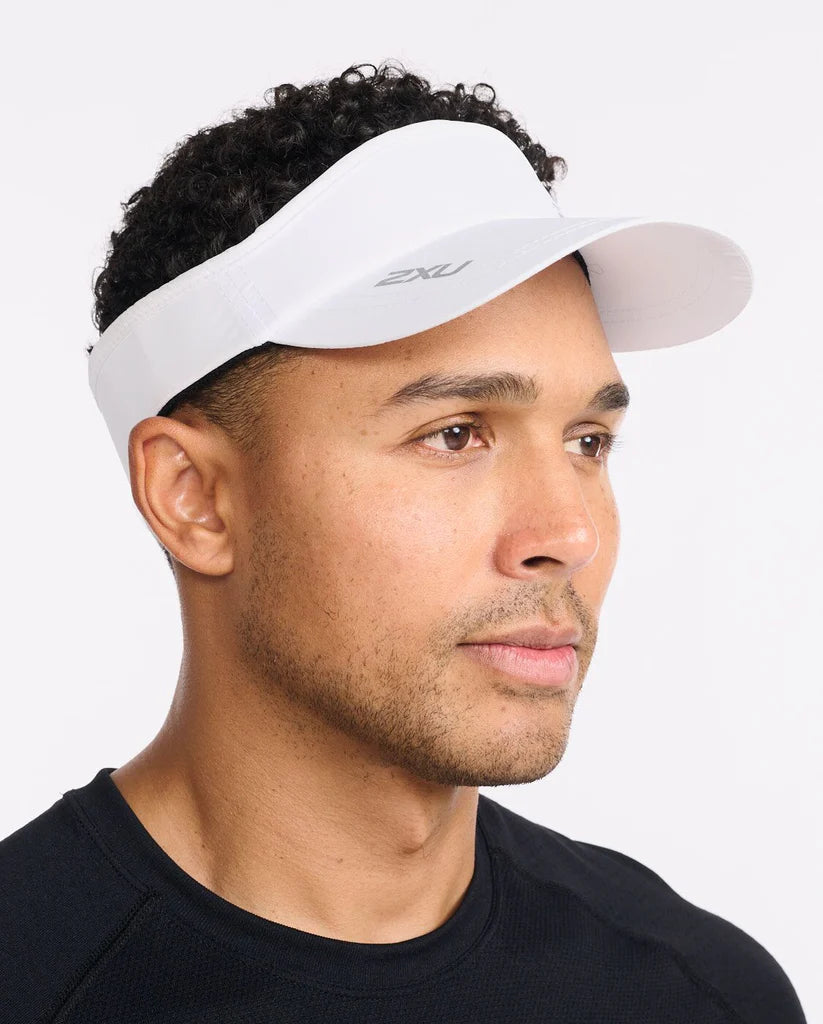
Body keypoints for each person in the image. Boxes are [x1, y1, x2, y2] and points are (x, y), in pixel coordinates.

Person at [0, 60, 807, 1022]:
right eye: (455, 435)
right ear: (195, 497)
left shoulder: (698, 993)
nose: (570, 533)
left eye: (587, 441)